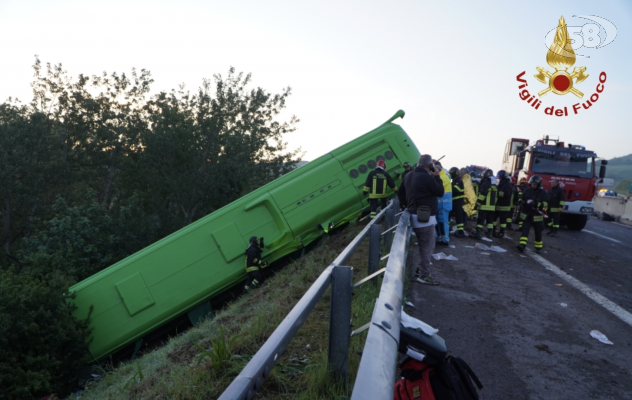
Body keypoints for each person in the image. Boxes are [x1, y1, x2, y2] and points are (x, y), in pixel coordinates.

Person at [397, 154, 444, 285]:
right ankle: (423, 275)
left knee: (424, 245)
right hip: (425, 218)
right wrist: (437, 176)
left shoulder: (408, 175)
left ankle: (420, 271)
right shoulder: (427, 177)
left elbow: (400, 193)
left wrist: (406, 205)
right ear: (429, 165)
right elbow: (440, 191)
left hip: (412, 214)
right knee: (427, 247)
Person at [516, 176, 548, 253]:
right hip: (527, 214)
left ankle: (538, 248)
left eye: (535, 184)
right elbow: (521, 198)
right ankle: (522, 245)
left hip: (537, 216)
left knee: (538, 232)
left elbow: (546, 203)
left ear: (538, 184)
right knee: (525, 230)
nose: (533, 185)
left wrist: (537, 204)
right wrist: (522, 203)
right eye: (532, 184)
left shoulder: (542, 193)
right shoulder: (527, 191)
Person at [471, 169, 497, 240]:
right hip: (492, 207)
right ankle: (489, 234)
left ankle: (478, 234)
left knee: (480, 221)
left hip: (484, 207)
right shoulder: (494, 185)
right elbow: (496, 197)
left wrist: (477, 204)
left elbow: (482, 195)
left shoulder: (485, 184)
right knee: (490, 222)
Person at [435, 161, 452, 246]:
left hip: (443, 205)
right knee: (440, 223)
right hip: (441, 205)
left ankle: (445, 239)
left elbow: (436, 186)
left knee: (443, 222)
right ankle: (441, 238)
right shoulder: (443, 176)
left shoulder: (444, 177)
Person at [493, 170, 513, 238]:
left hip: (504, 206)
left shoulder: (508, 185)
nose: (499, 179)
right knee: (494, 219)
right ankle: (493, 231)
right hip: (498, 205)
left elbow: (506, 194)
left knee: (502, 221)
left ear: (503, 178)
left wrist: (496, 193)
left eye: (500, 178)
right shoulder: (501, 184)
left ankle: (501, 233)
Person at [449, 167, 466, 238]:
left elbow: (456, 190)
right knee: (449, 215)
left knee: (458, 217)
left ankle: (461, 232)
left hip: (458, 202)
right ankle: (447, 228)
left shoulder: (458, 181)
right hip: (454, 201)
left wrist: (449, 187)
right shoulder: (454, 181)